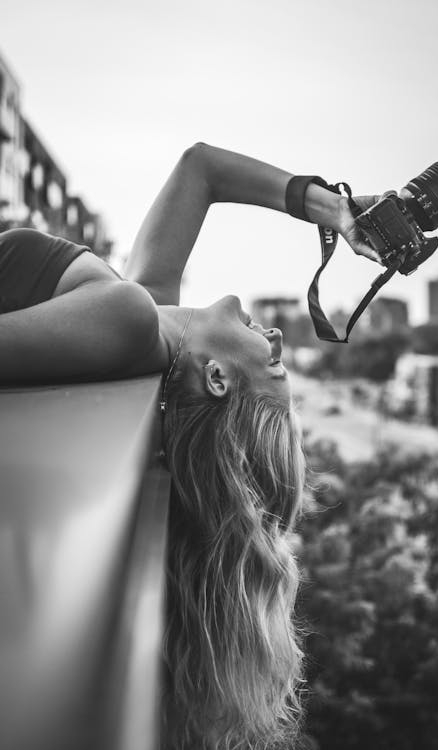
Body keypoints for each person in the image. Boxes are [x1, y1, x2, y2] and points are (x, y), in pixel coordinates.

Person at [0, 143, 381, 749]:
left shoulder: (126, 322)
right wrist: (336, 212)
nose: (279, 338)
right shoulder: (145, 311)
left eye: (275, 369)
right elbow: (199, 167)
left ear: (219, 379)